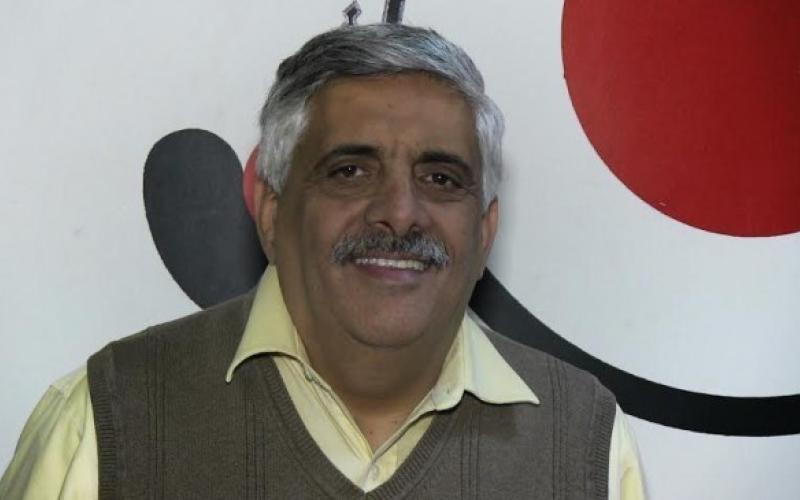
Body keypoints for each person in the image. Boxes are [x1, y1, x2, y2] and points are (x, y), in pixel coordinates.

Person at [0, 23, 645, 499]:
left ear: (484, 232)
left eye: (441, 179)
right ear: (272, 214)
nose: (400, 213)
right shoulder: (106, 423)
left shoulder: (585, 444)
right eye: (351, 170)